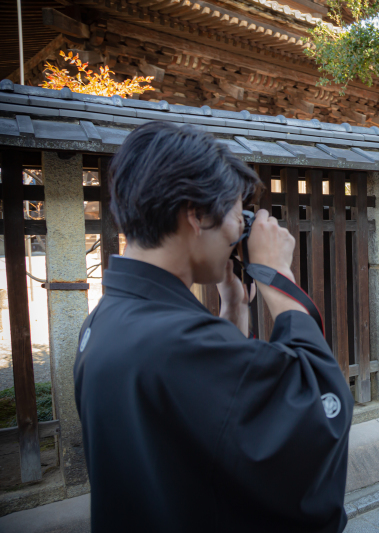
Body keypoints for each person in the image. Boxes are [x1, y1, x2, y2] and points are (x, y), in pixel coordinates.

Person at [73, 121, 353, 532]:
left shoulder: (107, 318)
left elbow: (212, 414)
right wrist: (275, 272)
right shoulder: (175, 341)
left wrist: (234, 310)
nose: (238, 232)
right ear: (196, 213)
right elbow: (320, 411)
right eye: (237, 214)